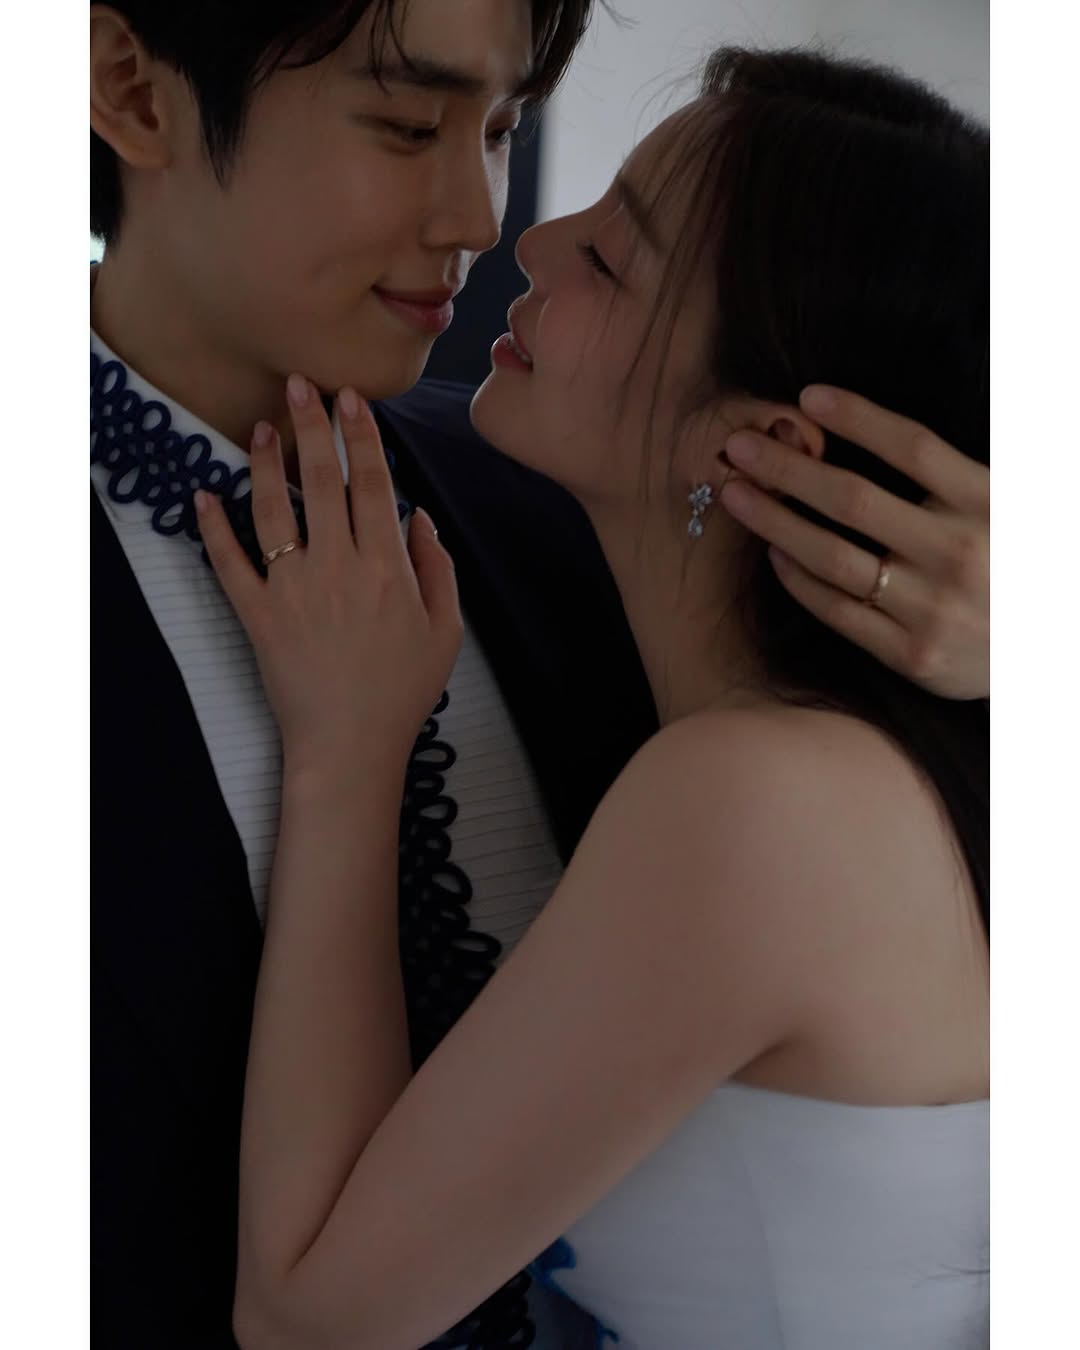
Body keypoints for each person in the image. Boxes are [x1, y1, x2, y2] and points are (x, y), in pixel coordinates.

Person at [89, 0, 988, 1342]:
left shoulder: (592, 523)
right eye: (408, 123)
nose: (486, 217)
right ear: (131, 89)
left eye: (504, 129)